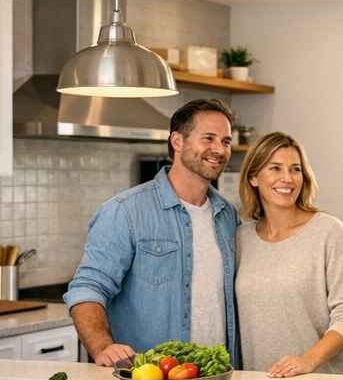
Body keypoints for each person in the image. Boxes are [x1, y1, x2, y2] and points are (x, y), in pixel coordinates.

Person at [66, 98, 241, 366]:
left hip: (217, 377)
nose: (219, 149)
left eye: (226, 141)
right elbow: (87, 289)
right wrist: (103, 346)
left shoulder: (228, 215)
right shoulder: (125, 211)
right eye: (209, 138)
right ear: (177, 141)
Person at [234, 132, 343, 376]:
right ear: (253, 177)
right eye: (275, 168)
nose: (287, 178)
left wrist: (307, 361)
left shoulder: (329, 232)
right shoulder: (240, 239)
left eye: (295, 169)